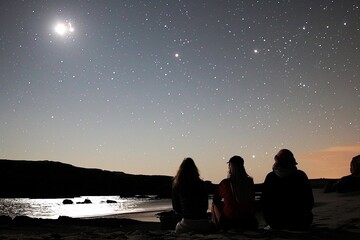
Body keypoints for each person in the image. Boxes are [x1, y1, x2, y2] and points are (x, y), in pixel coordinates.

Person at [261, 149, 314, 230]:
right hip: (300, 220)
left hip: (276, 221)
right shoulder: (301, 175)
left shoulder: (270, 177)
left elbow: (264, 201)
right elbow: (309, 200)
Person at [212, 156, 258, 231]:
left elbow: (215, 199)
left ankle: (217, 228)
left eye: (229, 165)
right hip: (249, 222)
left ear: (231, 166)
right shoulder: (249, 182)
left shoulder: (226, 183)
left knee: (214, 205)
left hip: (230, 223)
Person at [172, 158, 213, 233]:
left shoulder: (178, 186)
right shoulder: (202, 185)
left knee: (177, 226)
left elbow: (176, 208)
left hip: (187, 222)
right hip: (203, 223)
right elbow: (205, 206)